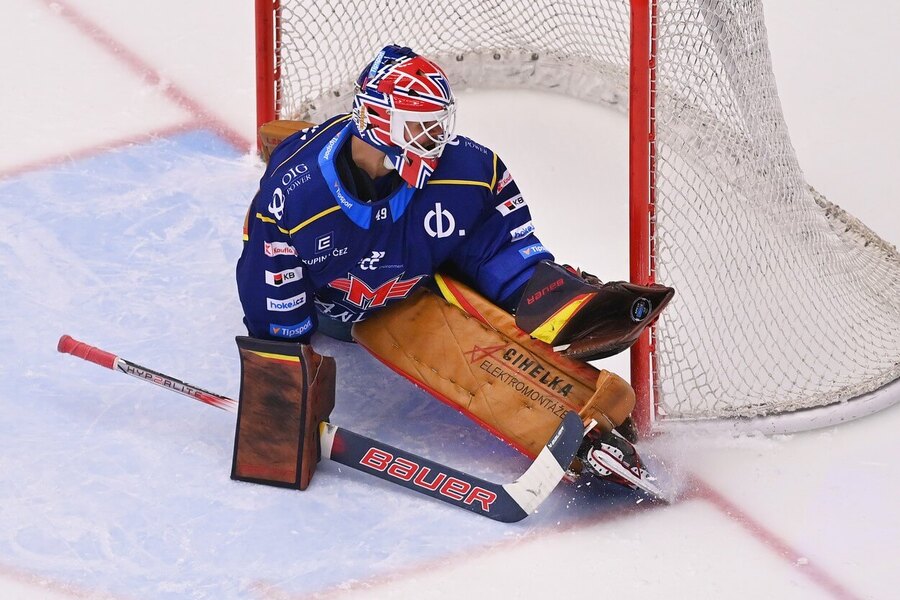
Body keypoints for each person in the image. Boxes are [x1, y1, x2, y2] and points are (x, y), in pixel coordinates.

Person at [235, 45, 673, 495]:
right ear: (376, 120)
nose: (437, 137)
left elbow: (498, 247)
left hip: (417, 270)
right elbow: (271, 297)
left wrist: (551, 300)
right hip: (343, 308)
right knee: (443, 338)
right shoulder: (294, 197)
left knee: (481, 289)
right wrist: (281, 390)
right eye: (421, 126)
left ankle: (573, 333)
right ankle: (554, 425)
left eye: (439, 123)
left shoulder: (469, 170)